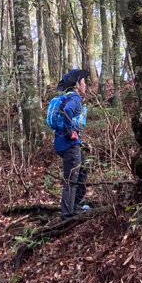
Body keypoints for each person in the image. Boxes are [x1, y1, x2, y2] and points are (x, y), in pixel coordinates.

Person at [53, 69, 91, 219]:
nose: (86, 85)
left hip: (67, 145)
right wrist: (70, 132)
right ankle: (68, 214)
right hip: (69, 145)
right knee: (72, 178)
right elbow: (68, 111)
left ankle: (76, 206)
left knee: (83, 169)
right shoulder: (74, 99)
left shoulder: (68, 97)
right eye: (83, 82)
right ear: (77, 85)